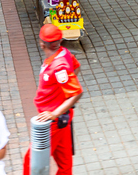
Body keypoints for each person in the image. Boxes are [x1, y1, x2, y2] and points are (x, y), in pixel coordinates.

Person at [23, 24, 84, 175]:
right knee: (65, 163)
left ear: (42, 43)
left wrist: (55, 113)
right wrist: (61, 93)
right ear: (59, 42)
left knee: (31, 161)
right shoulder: (65, 54)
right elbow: (76, 67)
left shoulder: (58, 66)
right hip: (62, 119)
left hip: (53, 123)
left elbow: (76, 92)